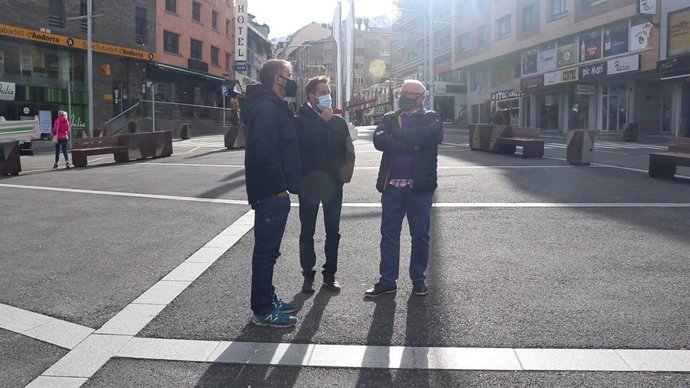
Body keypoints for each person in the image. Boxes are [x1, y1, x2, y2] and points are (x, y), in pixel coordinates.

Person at [365, 80, 442, 298]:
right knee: (389, 235)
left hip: (420, 187)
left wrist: (395, 134)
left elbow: (428, 136)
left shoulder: (431, 117)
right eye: (403, 92)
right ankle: (387, 280)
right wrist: (411, 145)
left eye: (410, 93)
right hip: (392, 187)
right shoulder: (390, 117)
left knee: (420, 235)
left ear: (421, 97)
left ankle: (418, 279)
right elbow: (379, 140)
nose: (404, 96)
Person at [242, 59, 301, 328]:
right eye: (290, 75)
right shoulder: (267, 108)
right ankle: (263, 310)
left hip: (272, 189)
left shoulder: (271, 106)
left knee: (269, 252)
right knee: (266, 253)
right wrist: (279, 187)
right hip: (271, 191)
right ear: (278, 79)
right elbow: (265, 153)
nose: (292, 79)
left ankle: (268, 298)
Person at [294, 76, 355, 294]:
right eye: (322, 92)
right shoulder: (300, 119)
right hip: (308, 185)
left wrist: (344, 175)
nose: (327, 96)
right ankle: (307, 275)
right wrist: (321, 121)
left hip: (333, 185)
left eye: (328, 91)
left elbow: (348, 151)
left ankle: (330, 275)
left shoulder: (339, 121)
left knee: (333, 231)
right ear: (311, 96)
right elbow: (301, 143)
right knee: (307, 231)